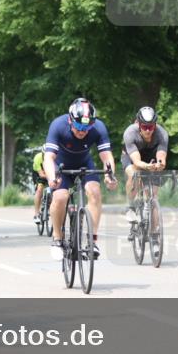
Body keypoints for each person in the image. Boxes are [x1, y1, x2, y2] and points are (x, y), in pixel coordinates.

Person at [43, 98, 118, 259]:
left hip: (85, 162)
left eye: (87, 127)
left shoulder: (98, 127)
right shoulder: (58, 125)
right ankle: (57, 238)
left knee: (95, 192)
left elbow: (106, 156)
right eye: (78, 126)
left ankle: (92, 241)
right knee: (60, 196)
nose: (82, 131)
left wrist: (110, 176)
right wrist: (51, 178)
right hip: (61, 165)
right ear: (70, 120)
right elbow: (48, 158)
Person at [122, 107, 169, 225]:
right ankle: (131, 207)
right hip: (132, 157)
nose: (148, 130)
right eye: (144, 127)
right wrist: (146, 167)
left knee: (153, 196)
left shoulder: (162, 134)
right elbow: (137, 161)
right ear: (138, 125)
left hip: (150, 158)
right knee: (134, 174)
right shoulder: (130, 132)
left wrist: (160, 164)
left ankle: (154, 236)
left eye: (151, 127)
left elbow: (161, 156)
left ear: (155, 125)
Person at [32, 149, 48, 224]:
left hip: (49, 173)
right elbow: (41, 174)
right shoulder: (38, 158)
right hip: (38, 174)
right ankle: (36, 214)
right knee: (39, 189)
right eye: (45, 154)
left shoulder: (55, 156)